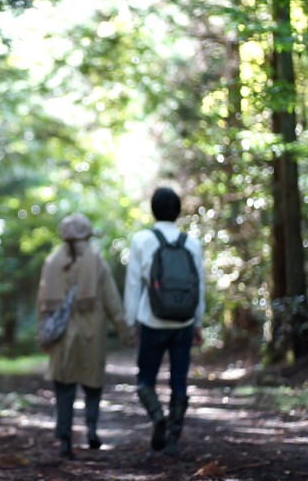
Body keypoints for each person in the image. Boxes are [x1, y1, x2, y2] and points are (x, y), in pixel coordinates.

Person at [37, 213, 135, 459]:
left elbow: (42, 303)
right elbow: (112, 299)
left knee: (64, 388)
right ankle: (91, 429)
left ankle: (65, 440)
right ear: (87, 232)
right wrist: (126, 331)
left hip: (61, 337)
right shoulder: (95, 259)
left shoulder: (51, 262)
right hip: (92, 332)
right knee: (92, 384)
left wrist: (44, 336)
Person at [124, 187, 205, 457]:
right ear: (178, 210)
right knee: (179, 380)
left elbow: (134, 283)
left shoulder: (142, 240)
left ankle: (157, 416)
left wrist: (131, 319)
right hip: (183, 322)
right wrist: (198, 321)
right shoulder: (191, 242)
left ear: (153, 209)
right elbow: (199, 286)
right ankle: (173, 437)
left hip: (152, 320)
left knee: (145, 378)